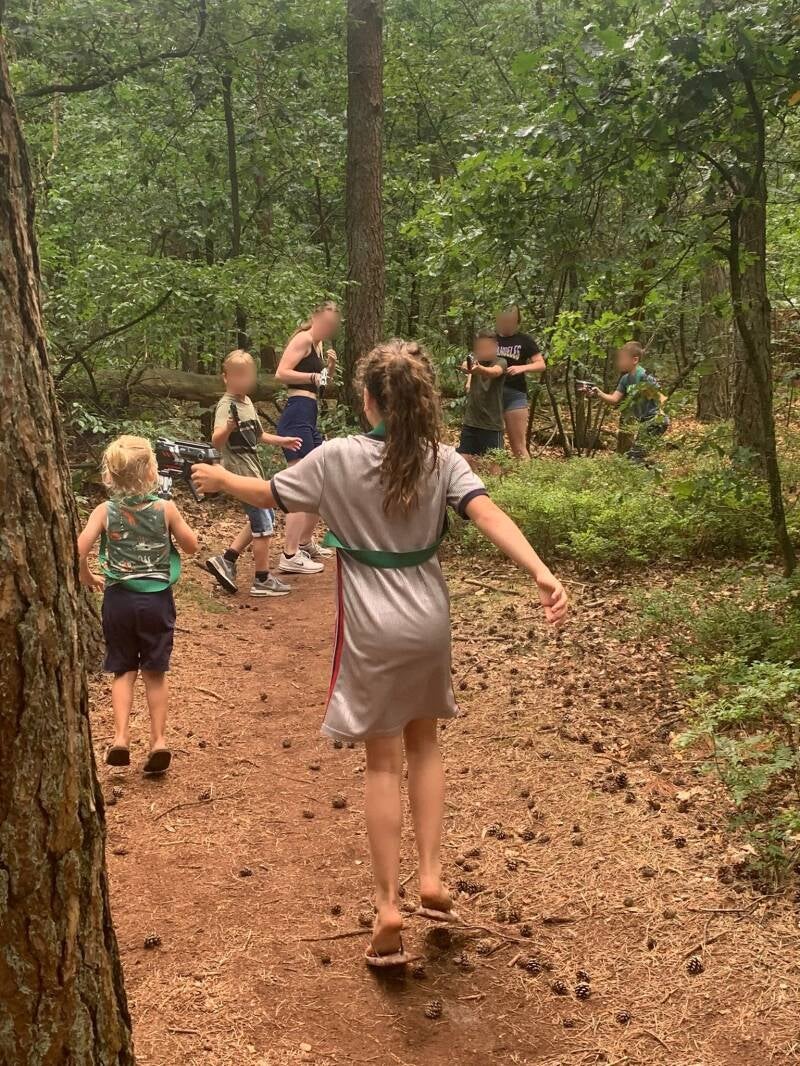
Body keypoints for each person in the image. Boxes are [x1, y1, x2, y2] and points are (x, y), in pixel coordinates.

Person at [191, 339, 568, 967]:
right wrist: (541, 572)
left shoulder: (338, 457)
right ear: (424, 403)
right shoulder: (442, 460)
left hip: (372, 626)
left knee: (383, 764)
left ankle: (389, 904)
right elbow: (487, 514)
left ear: (368, 400)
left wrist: (222, 478)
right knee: (426, 745)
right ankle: (432, 876)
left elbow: (269, 496)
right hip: (430, 620)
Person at [77, 435, 199, 774]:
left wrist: (86, 575)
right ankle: (158, 741)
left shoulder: (104, 511)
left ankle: (120, 738)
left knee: (123, 669)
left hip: (118, 599)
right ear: (150, 473)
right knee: (155, 673)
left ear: (110, 476)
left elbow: (78, 549)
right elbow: (191, 546)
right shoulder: (166, 509)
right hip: (156, 600)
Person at [205, 350, 303, 596]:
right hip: (240, 472)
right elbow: (215, 441)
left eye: (247, 376)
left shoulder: (247, 402)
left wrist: (283, 441)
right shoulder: (226, 406)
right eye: (237, 376)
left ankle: (227, 559)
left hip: (253, 469)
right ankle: (262, 579)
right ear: (226, 378)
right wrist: (227, 428)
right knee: (263, 525)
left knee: (263, 516)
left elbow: (259, 435)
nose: (243, 381)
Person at [274, 301, 341, 574]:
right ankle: (289, 554)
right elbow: (281, 373)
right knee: (301, 485)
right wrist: (313, 375)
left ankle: (304, 543)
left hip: (310, 413)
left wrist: (330, 367)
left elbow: (321, 383)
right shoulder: (303, 339)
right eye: (324, 322)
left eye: (332, 325)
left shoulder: (319, 345)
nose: (328, 328)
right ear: (314, 317)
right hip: (296, 413)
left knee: (318, 481)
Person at [584, 341, 669, 459]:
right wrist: (598, 393)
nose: (619, 363)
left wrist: (658, 415)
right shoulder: (625, 379)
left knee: (635, 456)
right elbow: (614, 399)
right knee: (638, 455)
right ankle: (647, 466)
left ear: (634, 360)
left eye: (623, 359)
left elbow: (661, 398)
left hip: (655, 421)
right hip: (644, 423)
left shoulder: (643, 376)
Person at [495, 304, 546, 459]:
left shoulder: (524, 340)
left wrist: (522, 368)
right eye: (504, 320)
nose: (507, 323)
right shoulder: (491, 339)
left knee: (518, 446)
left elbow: (541, 364)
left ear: (517, 321)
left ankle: (525, 474)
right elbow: (477, 361)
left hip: (515, 394)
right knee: (491, 444)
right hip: (491, 395)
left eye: (511, 320)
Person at [457, 329, 507, 456]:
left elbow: (495, 372)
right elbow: (466, 365)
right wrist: (469, 371)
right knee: (465, 459)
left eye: (487, 347)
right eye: (481, 347)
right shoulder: (473, 361)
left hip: (492, 425)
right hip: (471, 423)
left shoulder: (501, 362)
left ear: (496, 346)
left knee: (493, 463)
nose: (484, 351)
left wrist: (479, 369)